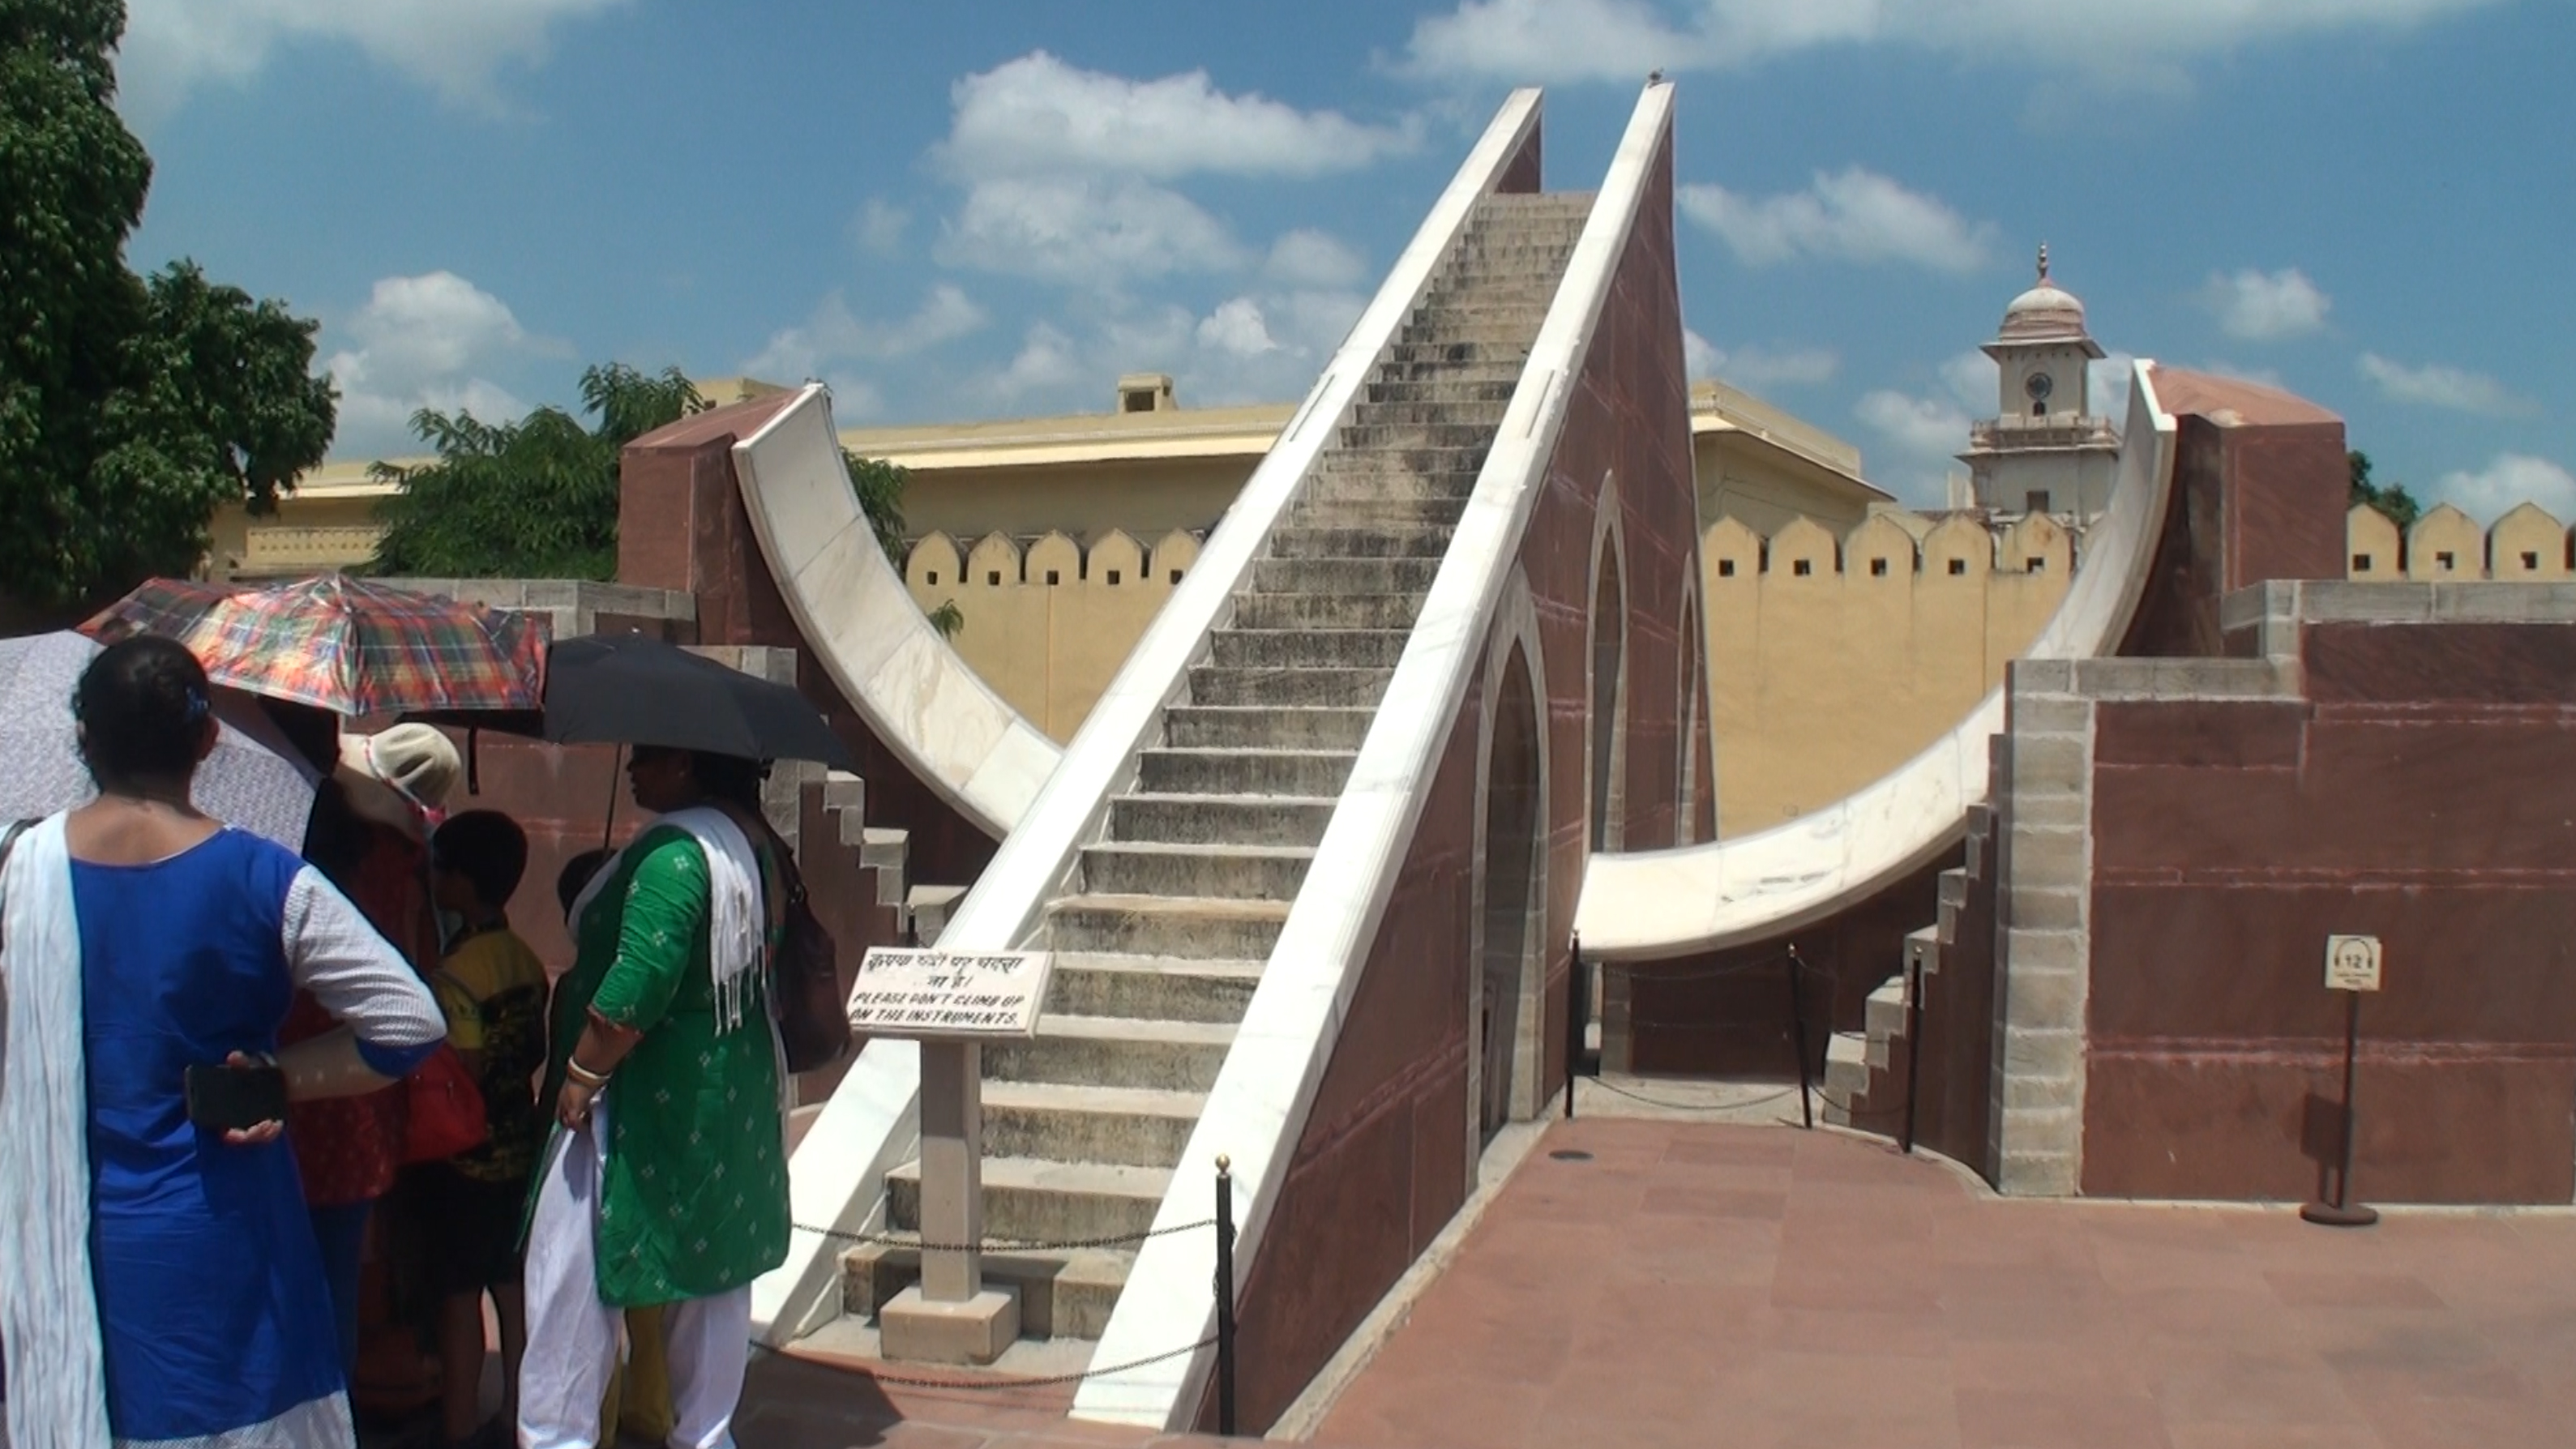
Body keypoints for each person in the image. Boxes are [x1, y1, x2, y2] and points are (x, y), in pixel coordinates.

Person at [0, 635, 447, 1449]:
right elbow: (410, 1021)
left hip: (74, 1252)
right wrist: (280, 1077)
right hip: (227, 1242)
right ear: (209, 741)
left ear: (83, 739)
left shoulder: (18, 873)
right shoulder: (268, 878)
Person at [518, 747, 790, 1449]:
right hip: (723, 1097)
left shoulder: (675, 853)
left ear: (692, 766)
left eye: (653, 757)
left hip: (641, 1096)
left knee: (570, 1286)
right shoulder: (759, 848)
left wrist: (580, 1075)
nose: (635, 766)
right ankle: (705, 1437)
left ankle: (557, 1437)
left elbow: (641, 978)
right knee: (711, 1282)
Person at [275, 723, 462, 1385]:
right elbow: (421, 975)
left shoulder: (291, 861)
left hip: (283, 1068)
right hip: (361, 1076)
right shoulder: (407, 871)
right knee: (337, 1269)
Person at [421, 812, 550, 1449]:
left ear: (462, 883)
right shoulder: (524, 958)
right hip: (518, 1139)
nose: (434, 878)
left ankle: (457, 1427)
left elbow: (463, 1064)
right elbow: (530, 1049)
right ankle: (518, 1413)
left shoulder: (456, 973)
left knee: (458, 1293)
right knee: (511, 1283)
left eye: (440, 867)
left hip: (464, 1154)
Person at [552, 848, 676, 1448]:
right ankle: (649, 1407)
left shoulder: (590, 989)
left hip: (594, 1144)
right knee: (638, 1291)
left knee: (584, 1296)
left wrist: (578, 1080)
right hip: (639, 1143)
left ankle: (595, 1425)